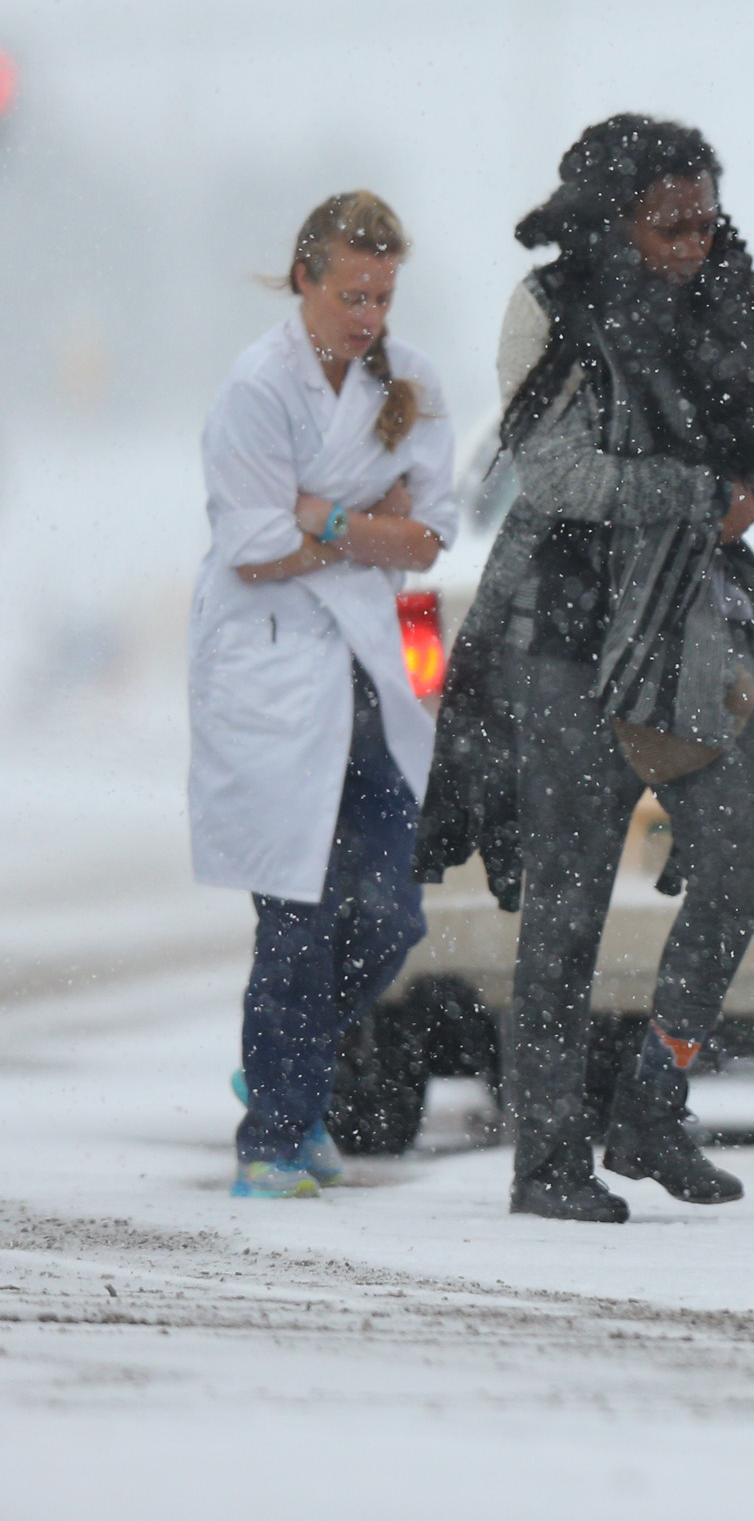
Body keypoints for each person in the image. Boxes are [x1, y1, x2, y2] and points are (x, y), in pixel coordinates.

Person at [417, 114, 754, 1223]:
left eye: (705, 215)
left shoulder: (731, 302)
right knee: (566, 911)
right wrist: (693, 497)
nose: (693, 239)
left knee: (738, 873)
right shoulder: (551, 307)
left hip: (696, 619)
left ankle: (651, 1102)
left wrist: (743, 492)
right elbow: (552, 475)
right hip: (566, 629)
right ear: (612, 217)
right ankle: (548, 1162)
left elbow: (751, 451)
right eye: (667, 220)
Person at [191, 193, 457, 1198]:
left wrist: (320, 516)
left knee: (391, 916)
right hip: (271, 671)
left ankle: (281, 1063)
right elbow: (252, 549)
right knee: (296, 917)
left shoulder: (413, 380)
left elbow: (430, 531)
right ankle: (274, 1134)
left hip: (369, 675)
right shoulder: (257, 387)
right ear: (305, 277)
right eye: (352, 293)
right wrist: (359, 525)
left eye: (383, 295)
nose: (369, 316)